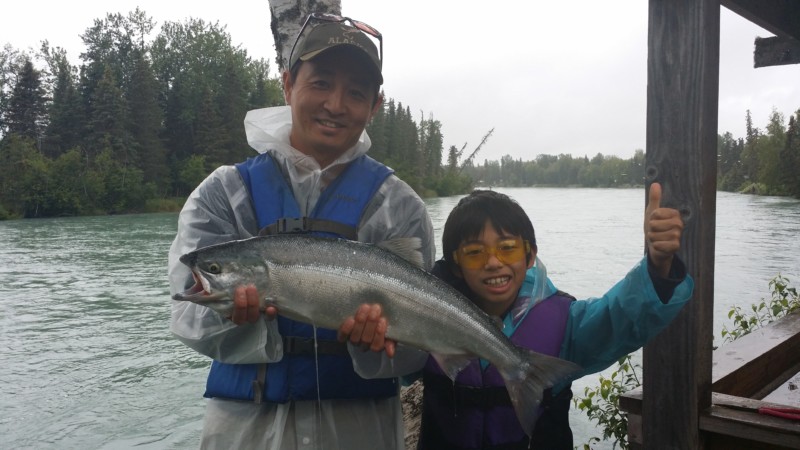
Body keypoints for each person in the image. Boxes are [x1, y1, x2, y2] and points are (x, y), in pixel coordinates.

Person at [168, 13, 434, 449]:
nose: (335, 104)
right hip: (245, 433)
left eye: (356, 92)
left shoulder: (401, 208)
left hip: (361, 433)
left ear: (375, 106)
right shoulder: (223, 193)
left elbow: (415, 355)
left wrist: (378, 343)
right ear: (288, 83)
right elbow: (188, 317)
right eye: (321, 83)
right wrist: (226, 314)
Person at [415, 184, 694, 449]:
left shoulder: (564, 324)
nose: (493, 262)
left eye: (508, 247)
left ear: (530, 254)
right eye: (475, 253)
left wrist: (658, 267)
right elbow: (389, 364)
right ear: (456, 265)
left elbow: (619, 317)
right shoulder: (423, 312)